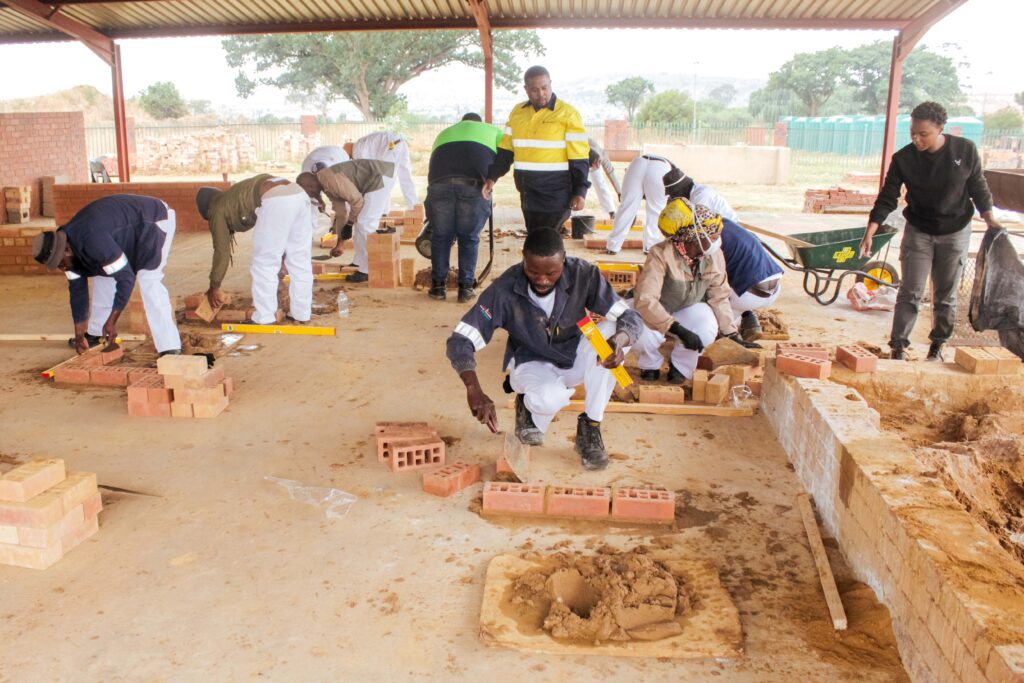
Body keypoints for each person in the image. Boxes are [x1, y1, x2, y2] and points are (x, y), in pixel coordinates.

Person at [445, 229, 643, 471]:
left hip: (574, 355)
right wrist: (473, 389)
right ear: (523, 259)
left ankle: (590, 427)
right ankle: (526, 405)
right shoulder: (504, 289)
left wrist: (619, 342)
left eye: (551, 273)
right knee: (547, 403)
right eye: (533, 272)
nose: (542, 280)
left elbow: (630, 316)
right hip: (531, 360)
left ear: (564, 260)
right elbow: (460, 340)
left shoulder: (583, 274)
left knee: (612, 333)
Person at [861, 101, 1001, 361]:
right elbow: (887, 197)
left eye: (923, 134)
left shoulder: (965, 150)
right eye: (913, 133)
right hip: (919, 230)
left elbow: (978, 187)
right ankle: (898, 347)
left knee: (945, 295)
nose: (916, 139)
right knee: (910, 291)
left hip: (956, 230)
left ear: (940, 129)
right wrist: (871, 230)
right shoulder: (904, 158)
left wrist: (990, 218)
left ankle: (937, 345)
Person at [32, 194, 181, 355]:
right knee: (102, 274)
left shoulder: (93, 240)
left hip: (152, 222)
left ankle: (169, 345)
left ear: (66, 251)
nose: (62, 268)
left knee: (148, 278)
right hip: (122, 231)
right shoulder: (67, 246)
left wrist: (113, 320)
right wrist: (79, 333)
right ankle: (95, 333)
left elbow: (126, 277)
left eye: (60, 263)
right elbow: (77, 292)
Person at [631, 199, 758, 383]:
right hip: (654, 311)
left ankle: (681, 366)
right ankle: (650, 365)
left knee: (706, 327)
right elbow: (646, 300)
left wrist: (731, 333)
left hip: (686, 307)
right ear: (695, 237)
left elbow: (719, 296)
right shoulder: (660, 254)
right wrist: (676, 329)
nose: (717, 242)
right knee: (641, 336)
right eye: (712, 237)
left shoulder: (713, 255)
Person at [483, 66, 590, 233]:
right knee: (535, 242)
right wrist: (492, 177)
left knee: (546, 244)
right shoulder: (517, 113)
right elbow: (506, 152)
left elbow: (579, 158)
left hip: (556, 194)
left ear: (550, 84)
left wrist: (580, 191)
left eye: (544, 88)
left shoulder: (568, 114)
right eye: (534, 90)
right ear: (526, 89)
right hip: (527, 192)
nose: (541, 94)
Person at [196, 176, 313, 325]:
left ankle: (264, 318)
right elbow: (280, 233)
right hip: (299, 195)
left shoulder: (216, 208)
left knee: (264, 262)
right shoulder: (234, 195)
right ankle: (301, 314)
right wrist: (283, 260)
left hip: (277, 200)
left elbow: (221, 251)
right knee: (299, 259)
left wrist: (214, 286)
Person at [425, 113, 502, 303]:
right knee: (468, 237)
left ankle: (437, 288)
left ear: (462, 123)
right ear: (479, 123)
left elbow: (434, 165)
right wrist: (491, 179)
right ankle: (465, 289)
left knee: (441, 236)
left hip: (439, 184)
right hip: (472, 185)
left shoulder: (445, 133)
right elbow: (505, 158)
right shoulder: (492, 131)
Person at [296, 159, 395, 284]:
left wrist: (349, 224)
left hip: (380, 176)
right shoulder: (325, 184)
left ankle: (367, 270)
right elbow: (341, 213)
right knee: (361, 222)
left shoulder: (329, 179)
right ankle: (359, 262)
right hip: (376, 178)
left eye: (309, 193)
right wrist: (340, 243)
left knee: (365, 223)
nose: (310, 196)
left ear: (310, 186)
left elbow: (357, 201)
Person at [352, 130, 418, 214]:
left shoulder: (357, 150)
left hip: (392, 144)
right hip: (400, 142)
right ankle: (415, 208)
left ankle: (383, 212)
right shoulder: (362, 144)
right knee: (405, 178)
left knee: (385, 180)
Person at [587, 138, 621, 218]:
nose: (598, 166)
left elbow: (610, 173)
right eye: (595, 164)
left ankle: (611, 211)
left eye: (598, 164)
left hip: (591, 158)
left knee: (600, 183)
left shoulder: (602, 155)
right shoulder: (579, 154)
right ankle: (571, 212)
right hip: (581, 159)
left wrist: (619, 192)